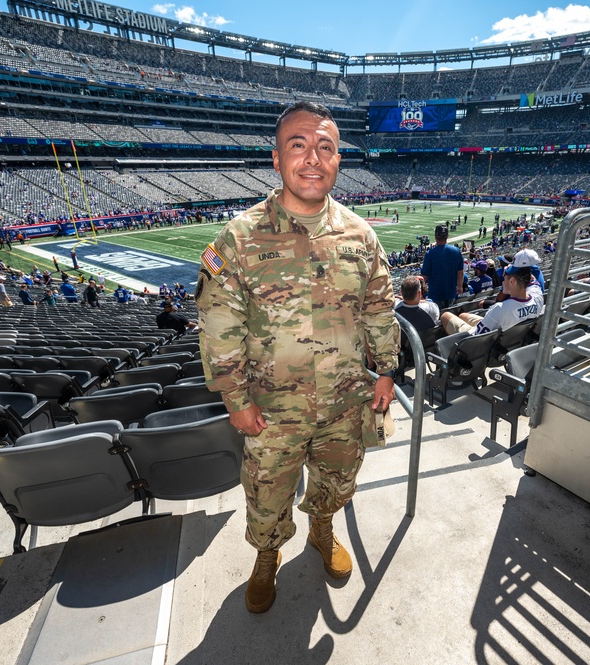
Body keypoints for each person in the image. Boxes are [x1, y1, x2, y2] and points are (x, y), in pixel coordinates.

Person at [196, 101, 399, 614]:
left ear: (337, 160)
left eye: (325, 147)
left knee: (336, 481)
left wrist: (387, 371)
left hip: (344, 402)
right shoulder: (238, 238)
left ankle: (322, 530)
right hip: (271, 409)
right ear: (276, 158)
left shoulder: (361, 235)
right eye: (299, 145)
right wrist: (235, 399)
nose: (313, 158)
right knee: (266, 497)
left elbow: (379, 307)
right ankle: (267, 556)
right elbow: (219, 325)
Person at [440, 265, 540, 335]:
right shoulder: (537, 298)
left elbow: (477, 337)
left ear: (512, 281)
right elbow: (534, 282)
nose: (503, 283)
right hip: (510, 332)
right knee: (462, 315)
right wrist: (521, 270)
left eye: (504, 279)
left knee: (445, 315)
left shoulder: (501, 309)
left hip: (479, 340)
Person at [420, 224, 464, 308]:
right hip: (451, 292)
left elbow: (424, 276)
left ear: (435, 236)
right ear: (447, 236)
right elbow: (460, 272)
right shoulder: (456, 251)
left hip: (436, 294)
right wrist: (460, 286)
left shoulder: (430, 254)